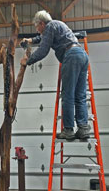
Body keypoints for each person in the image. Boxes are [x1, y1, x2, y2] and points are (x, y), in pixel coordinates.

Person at [20, 10, 90, 140]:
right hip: (82, 55)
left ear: (42, 23)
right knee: (80, 95)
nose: (37, 31)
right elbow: (43, 38)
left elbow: (43, 50)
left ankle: (68, 130)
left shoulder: (50, 27)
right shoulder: (57, 25)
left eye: (37, 27)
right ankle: (83, 128)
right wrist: (31, 40)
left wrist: (27, 61)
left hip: (71, 56)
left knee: (68, 94)